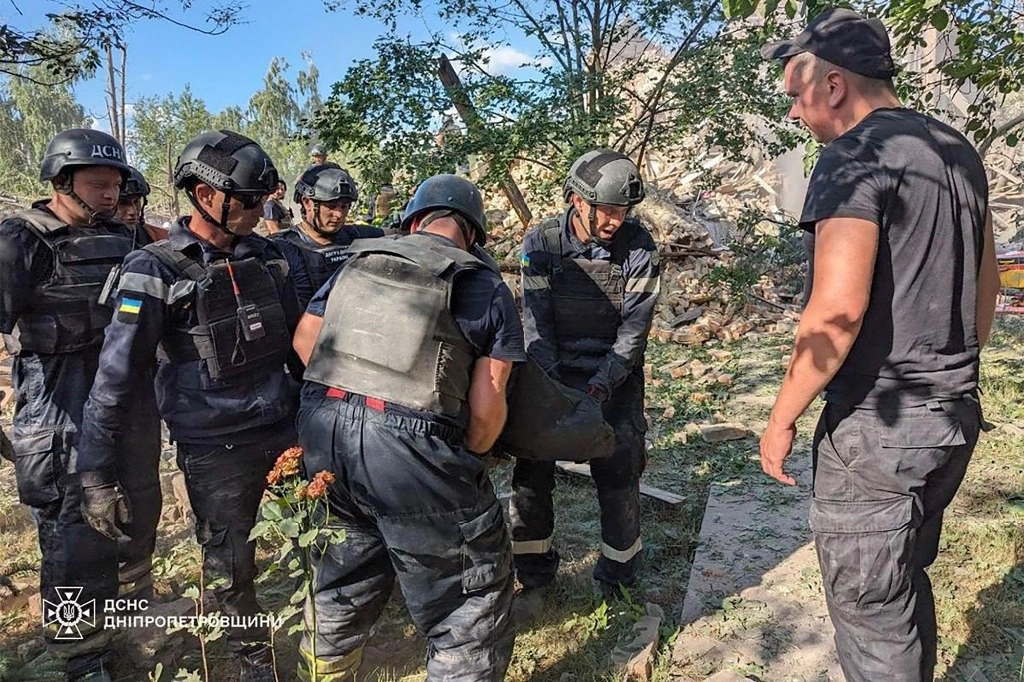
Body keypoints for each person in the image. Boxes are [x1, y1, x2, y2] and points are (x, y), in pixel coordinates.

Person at [758, 9, 999, 682]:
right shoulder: (955, 148)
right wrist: (954, 366)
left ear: (833, 85)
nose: (796, 115)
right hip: (952, 414)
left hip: (879, 431)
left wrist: (781, 420)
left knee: (870, 611)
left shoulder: (853, 156)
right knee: (900, 581)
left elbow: (836, 309)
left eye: (795, 97)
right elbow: (990, 281)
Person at [76, 130, 304, 681]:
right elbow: (115, 380)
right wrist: (95, 475)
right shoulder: (151, 271)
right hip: (215, 445)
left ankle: (322, 634)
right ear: (206, 196)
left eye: (262, 200)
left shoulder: (269, 256)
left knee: (318, 534)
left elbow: (302, 345)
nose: (258, 210)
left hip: (285, 425)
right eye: (249, 201)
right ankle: (253, 663)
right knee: (230, 565)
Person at [291, 174, 523, 681]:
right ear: (472, 234)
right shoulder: (482, 284)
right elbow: (486, 411)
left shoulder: (357, 262)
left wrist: (353, 397)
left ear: (413, 220)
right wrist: (466, 457)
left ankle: (324, 672)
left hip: (323, 434)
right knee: (467, 608)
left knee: (339, 579)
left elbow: (306, 340)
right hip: (412, 454)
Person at [0, 128, 146, 681]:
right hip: (55, 402)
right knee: (70, 531)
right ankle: (77, 656)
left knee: (120, 520)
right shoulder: (22, 240)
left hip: (116, 401)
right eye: (98, 184)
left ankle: (113, 633)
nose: (110, 195)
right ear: (62, 182)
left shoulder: (122, 238)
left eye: (115, 184)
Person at [509, 149, 659, 599]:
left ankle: (618, 583)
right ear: (578, 201)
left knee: (620, 470)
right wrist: (557, 392)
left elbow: (635, 329)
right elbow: (536, 326)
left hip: (614, 375)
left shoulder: (639, 247)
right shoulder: (541, 244)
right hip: (550, 372)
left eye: (622, 212)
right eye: (607, 211)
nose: (616, 220)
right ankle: (534, 576)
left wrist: (599, 388)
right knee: (531, 473)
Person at [269, 163, 383, 308]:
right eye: (331, 206)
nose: (339, 214)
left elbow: (396, 233)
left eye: (344, 206)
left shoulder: (353, 234)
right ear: (307, 203)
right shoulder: (281, 248)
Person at [115, 166, 168, 244]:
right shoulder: (92, 241)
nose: (133, 211)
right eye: (123, 203)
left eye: (136, 202)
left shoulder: (162, 238)